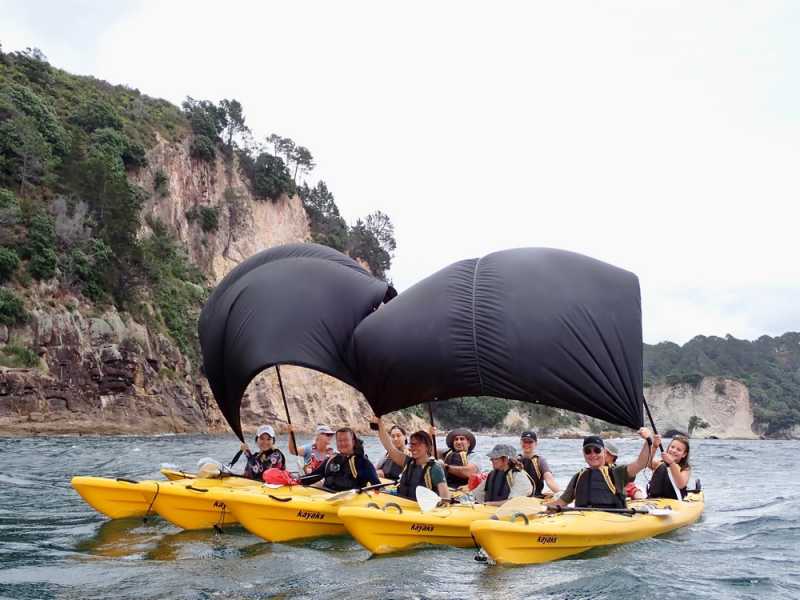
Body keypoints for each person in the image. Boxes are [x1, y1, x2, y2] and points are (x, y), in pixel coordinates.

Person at [550, 428, 656, 510]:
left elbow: (640, 464)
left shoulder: (617, 472)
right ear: (583, 454)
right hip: (583, 518)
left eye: (597, 450)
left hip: (612, 518)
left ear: (604, 452)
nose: (593, 454)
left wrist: (648, 440)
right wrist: (543, 511)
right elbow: (562, 501)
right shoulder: (578, 477)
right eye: (588, 451)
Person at [373, 416, 449, 502]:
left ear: (428, 447)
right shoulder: (407, 461)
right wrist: (379, 424)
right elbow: (389, 446)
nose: (414, 448)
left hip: (420, 507)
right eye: (412, 444)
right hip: (403, 501)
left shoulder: (435, 468)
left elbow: (445, 498)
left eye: (418, 444)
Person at [301, 427, 380, 492]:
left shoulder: (363, 462)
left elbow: (377, 486)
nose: (342, 443)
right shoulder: (331, 459)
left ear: (353, 441)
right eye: (339, 441)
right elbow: (314, 477)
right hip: (326, 500)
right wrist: (295, 481)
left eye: (345, 440)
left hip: (349, 504)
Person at [647, 435, 692, 499]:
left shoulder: (685, 469)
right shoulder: (659, 463)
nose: (674, 451)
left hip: (674, 500)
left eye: (678, 450)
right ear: (668, 448)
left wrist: (671, 463)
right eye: (672, 447)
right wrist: (654, 446)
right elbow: (647, 463)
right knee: (662, 466)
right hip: (654, 499)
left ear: (684, 454)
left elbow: (681, 484)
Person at [518, 430, 560, 497]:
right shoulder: (515, 461)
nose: (527, 444)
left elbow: (549, 481)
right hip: (517, 498)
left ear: (536, 444)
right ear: (520, 442)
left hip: (535, 498)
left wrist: (562, 495)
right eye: (524, 441)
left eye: (530, 442)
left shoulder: (540, 461)